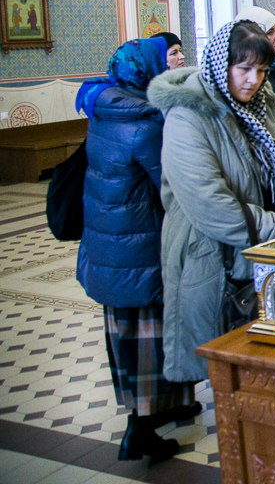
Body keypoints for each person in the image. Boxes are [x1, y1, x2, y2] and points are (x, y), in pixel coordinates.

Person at [149, 21, 275, 384]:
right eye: (244, 69)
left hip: (271, 249)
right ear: (220, 64)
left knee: (272, 369)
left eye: (262, 71)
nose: (253, 80)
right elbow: (210, 204)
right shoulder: (188, 113)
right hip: (214, 257)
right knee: (229, 372)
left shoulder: (265, 101)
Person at [75, 37, 195, 463]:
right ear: (148, 71)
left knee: (127, 337)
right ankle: (139, 430)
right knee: (152, 336)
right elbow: (171, 183)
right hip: (141, 248)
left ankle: (171, 405)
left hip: (110, 247)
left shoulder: (103, 111)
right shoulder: (144, 122)